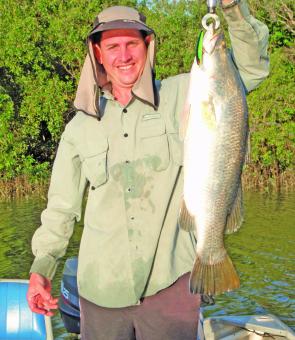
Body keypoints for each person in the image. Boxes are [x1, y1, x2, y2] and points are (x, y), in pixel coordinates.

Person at [27, 2, 269, 339]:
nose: (123, 56)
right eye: (112, 46)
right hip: (100, 293)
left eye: (132, 44)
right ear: (97, 53)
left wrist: (232, 11)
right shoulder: (79, 129)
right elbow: (60, 209)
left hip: (171, 288)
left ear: (147, 46)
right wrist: (42, 267)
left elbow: (251, 71)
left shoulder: (185, 93)